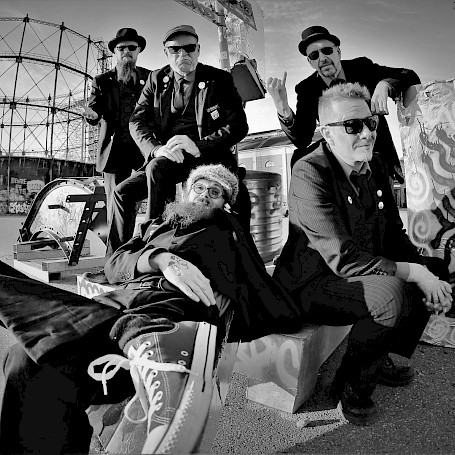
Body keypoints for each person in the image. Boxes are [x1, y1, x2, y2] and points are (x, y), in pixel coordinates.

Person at [0, 164, 302, 454]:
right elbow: (114, 264)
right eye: (199, 187)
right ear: (186, 191)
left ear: (226, 203)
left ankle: (155, 343)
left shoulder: (229, 230)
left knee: (36, 357)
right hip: (117, 305)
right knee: (25, 361)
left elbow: (260, 290)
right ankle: (140, 339)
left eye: (216, 192)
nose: (205, 195)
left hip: (172, 309)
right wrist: (160, 259)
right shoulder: (154, 225)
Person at [273, 82, 452, 425]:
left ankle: (377, 354)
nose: (367, 133)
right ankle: (350, 386)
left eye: (370, 122)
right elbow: (342, 257)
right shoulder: (310, 171)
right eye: (352, 126)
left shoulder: (376, 166)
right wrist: (414, 274)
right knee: (391, 293)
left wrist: (425, 271)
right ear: (327, 133)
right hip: (312, 283)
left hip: (355, 274)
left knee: (434, 267)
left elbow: (393, 234)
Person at [105, 24, 250, 257]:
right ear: (166, 52)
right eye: (175, 49)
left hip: (209, 157)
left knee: (158, 169)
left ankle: (154, 248)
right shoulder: (156, 79)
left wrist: (199, 146)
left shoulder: (219, 79)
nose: (183, 54)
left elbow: (238, 125)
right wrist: (156, 149)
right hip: (169, 157)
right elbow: (137, 121)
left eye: (189, 48)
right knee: (123, 192)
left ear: (198, 50)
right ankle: (117, 260)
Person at [266, 25, 420, 177]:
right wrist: (282, 107)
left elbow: (409, 75)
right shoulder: (307, 89)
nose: (322, 58)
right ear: (310, 62)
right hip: (342, 163)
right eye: (314, 55)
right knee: (300, 160)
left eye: (327, 51)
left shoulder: (362, 67)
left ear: (338, 52)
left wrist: (385, 84)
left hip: (376, 155)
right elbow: (302, 139)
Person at [80, 27, 150, 242]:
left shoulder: (150, 77)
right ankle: (117, 252)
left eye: (131, 47)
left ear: (138, 50)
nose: (126, 51)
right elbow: (94, 110)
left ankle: (145, 244)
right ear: (115, 52)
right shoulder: (102, 81)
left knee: (147, 198)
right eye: (121, 48)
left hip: (143, 150)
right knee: (115, 205)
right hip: (114, 151)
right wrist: (92, 116)